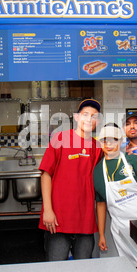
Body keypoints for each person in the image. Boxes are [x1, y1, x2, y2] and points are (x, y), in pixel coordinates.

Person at [39, 99, 103, 261]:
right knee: (56, 269)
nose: (89, 119)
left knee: (83, 271)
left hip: (85, 221)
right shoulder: (60, 138)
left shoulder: (97, 147)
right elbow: (46, 174)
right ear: (76, 117)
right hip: (58, 220)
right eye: (85, 115)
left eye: (94, 116)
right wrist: (48, 210)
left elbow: (112, 161)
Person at [94, 123, 137, 264]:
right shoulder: (97, 171)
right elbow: (100, 205)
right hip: (120, 229)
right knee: (130, 267)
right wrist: (101, 235)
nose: (109, 144)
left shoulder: (134, 161)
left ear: (121, 141)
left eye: (114, 139)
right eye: (105, 140)